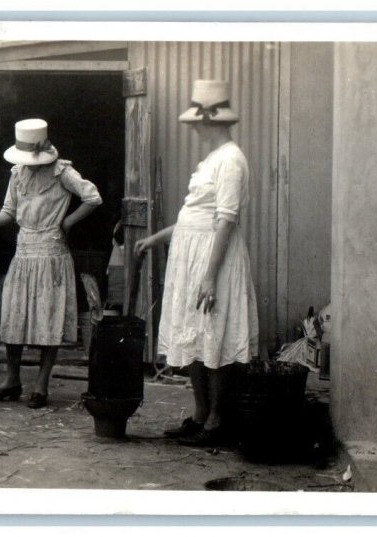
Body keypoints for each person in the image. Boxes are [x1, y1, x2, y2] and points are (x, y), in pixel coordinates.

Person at [135, 80, 259, 446]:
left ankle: (218, 419)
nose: (193, 128)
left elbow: (225, 219)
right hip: (191, 255)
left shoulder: (232, 160)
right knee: (194, 334)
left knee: (214, 335)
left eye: (196, 122)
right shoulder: (211, 159)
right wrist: (155, 239)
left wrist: (209, 276)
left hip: (212, 259)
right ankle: (200, 412)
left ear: (213, 121)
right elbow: (193, 217)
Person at [0, 119, 102, 409]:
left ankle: (41, 385)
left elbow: (93, 197)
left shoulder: (62, 173)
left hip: (52, 254)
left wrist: (68, 221)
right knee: (15, 317)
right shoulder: (18, 174)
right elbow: (8, 211)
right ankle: (11, 380)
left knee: (47, 318)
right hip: (24, 252)